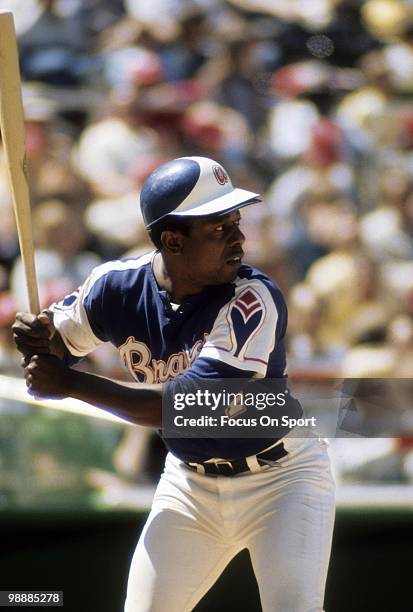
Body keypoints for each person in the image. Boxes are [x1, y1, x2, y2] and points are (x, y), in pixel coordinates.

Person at [12, 156, 335, 612]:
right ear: (172, 239)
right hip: (190, 485)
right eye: (219, 228)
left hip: (282, 480)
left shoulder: (253, 298)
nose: (239, 238)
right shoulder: (116, 286)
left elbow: (189, 407)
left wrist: (68, 383)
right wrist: (38, 341)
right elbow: (59, 342)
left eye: (236, 222)